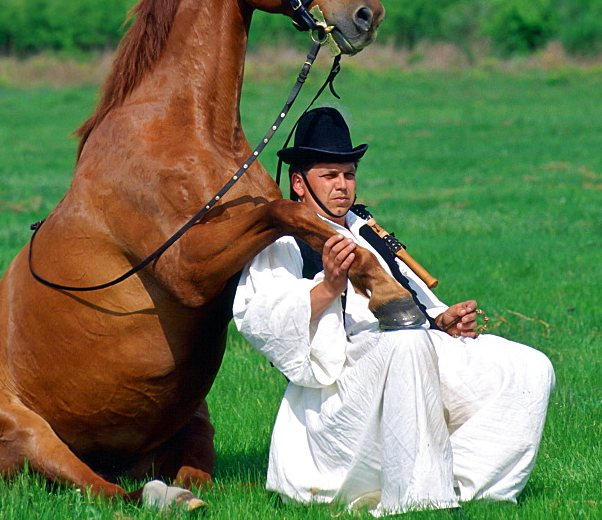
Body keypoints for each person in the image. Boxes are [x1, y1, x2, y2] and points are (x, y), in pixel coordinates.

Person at [233, 107, 555, 516]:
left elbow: (414, 301)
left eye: (348, 174)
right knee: (407, 347)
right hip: (342, 381)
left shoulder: (366, 229)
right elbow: (263, 318)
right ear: (299, 183)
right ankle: (418, 498)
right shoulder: (283, 240)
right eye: (329, 176)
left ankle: (473, 487)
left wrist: (443, 320)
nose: (342, 186)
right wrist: (329, 285)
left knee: (528, 365)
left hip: (411, 347)